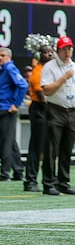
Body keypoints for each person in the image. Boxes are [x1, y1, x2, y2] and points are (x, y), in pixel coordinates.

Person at [40, 36, 75, 195]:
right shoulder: (50, 67)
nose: (68, 51)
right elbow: (47, 90)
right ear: (58, 50)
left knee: (66, 149)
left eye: (70, 48)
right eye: (64, 48)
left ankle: (63, 182)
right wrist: (63, 78)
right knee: (51, 149)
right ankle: (48, 183)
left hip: (72, 111)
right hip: (55, 109)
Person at [24, 44, 54, 191]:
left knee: (46, 147)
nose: (49, 54)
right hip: (40, 109)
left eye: (51, 52)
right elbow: (42, 97)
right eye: (45, 52)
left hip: (47, 110)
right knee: (36, 147)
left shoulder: (49, 71)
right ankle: (30, 181)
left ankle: (45, 179)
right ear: (39, 55)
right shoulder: (38, 72)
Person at [0, 47, 28, 181]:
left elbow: (23, 85)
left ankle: (5, 172)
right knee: (10, 141)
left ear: (9, 57)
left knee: (5, 141)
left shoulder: (9, 68)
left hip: (6, 109)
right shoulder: (4, 69)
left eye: (3, 55)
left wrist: (16, 104)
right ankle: (18, 171)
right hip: (5, 107)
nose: (0, 57)